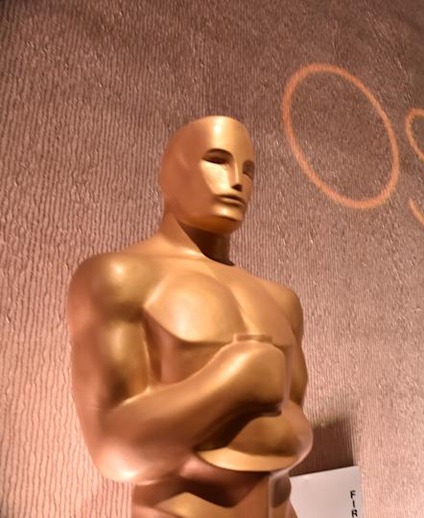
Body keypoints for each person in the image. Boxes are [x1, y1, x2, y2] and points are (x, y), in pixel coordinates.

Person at [67, 116, 312, 517]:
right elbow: (112, 449)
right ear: (169, 173)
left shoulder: (281, 301)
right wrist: (232, 384)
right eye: (217, 161)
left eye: (248, 170)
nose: (237, 181)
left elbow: (295, 430)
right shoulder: (120, 277)